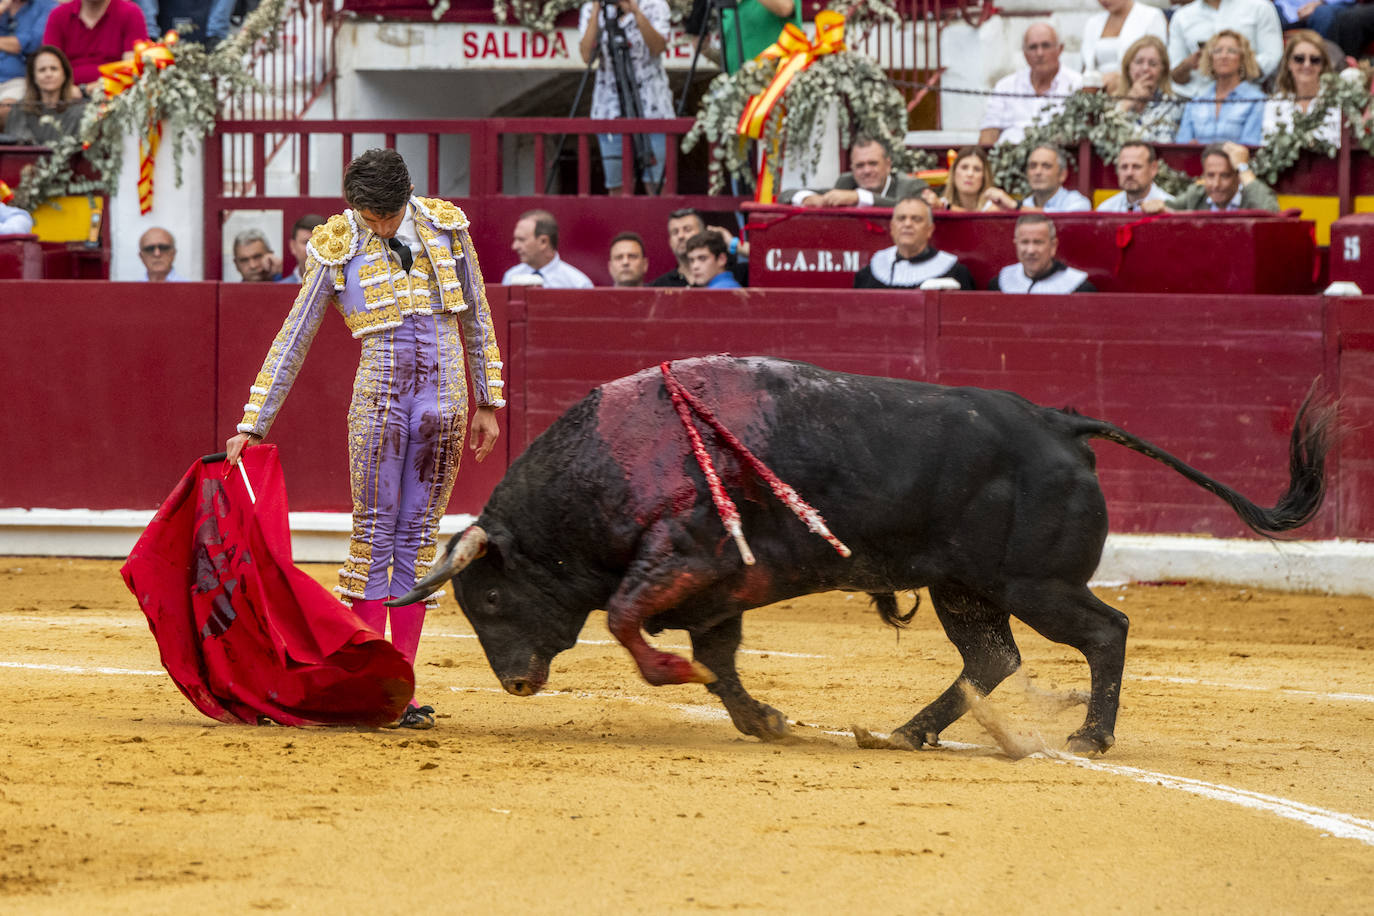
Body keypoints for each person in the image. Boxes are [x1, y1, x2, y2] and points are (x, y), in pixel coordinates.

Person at [224, 149, 505, 731]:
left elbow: (476, 315)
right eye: (368, 217)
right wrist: (254, 420)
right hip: (379, 398)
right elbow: (294, 335)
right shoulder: (336, 242)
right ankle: (371, 686)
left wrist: (488, 402)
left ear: (407, 198)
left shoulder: (449, 231)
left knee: (417, 535)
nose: (377, 227)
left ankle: (400, 688)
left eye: (386, 217)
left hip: (445, 402)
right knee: (375, 530)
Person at [578, 0, 674, 194]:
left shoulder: (655, 5)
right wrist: (597, 11)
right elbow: (587, 56)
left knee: (658, 186)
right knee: (617, 187)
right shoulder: (591, 9)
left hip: (653, 108)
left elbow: (657, 47)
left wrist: (635, 12)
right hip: (609, 108)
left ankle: (659, 224)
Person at [979, 23, 1083, 146]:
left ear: (1060, 49)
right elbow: (988, 134)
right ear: (1024, 53)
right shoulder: (1006, 86)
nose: (1039, 53)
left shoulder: (1078, 84)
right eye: (1033, 47)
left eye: (1046, 46)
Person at [853, 195, 974, 290]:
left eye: (916, 219)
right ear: (892, 227)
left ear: (929, 230)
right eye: (901, 218)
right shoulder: (871, 272)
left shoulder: (955, 272)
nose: (907, 224)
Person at [1167, 0, 1281, 98]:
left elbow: (1272, 57)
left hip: (1248, 99)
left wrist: (1232, 71)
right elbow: (1174, 74)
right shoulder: (1181, 17)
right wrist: (1189, 64)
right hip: (1197, 102)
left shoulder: (1260, 7)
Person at [782, 136, 929, 208]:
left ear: (888, 165)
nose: (866, 171)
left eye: (873, 163)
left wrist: (859, 197)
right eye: (860, 166)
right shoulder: (847, 182)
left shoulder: (910, 186)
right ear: (852, 169)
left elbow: (902, 208)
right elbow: (785, 195)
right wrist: (807, 199)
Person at [1175, 30, 1266, 145]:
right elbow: (1182, 145)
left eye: (1231, 51)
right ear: (1211, 58)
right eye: (1218, 51)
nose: (1224, 56)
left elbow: (1250, 145)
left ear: (1243, 58)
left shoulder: (1256, 101)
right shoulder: (1196, 103)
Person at [41, 0, 146, 90]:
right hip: (67, 96)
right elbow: (48, 63)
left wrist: (90, 89)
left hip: (115, 96)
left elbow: (132, 68)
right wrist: (68, 91)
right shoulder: (58, 15)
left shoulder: (131, 13)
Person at [1263, 30, 1342, 147]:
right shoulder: (1274, 104)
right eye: (1299, 59)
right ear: (1289, 63)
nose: (1307, 65)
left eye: (1314, 59)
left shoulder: (1338, 103)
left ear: (1323, 65)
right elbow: (1267, 145)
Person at [990, 214, 1097, 293]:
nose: (1030, 250)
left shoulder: (1080, 289)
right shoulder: (998, 285)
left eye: (1038, 242)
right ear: (1016, 244)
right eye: (1024, 242)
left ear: (1053, 246)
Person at [1079, 0, 1167, 95]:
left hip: (1137, 93)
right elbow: (1085, 66)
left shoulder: (1151, 16)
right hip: (1096, 94)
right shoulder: (1093, 22)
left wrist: (1121, 79)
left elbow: (1158, 62)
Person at [3, 44, 83, 144]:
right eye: (42, 70)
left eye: (54, 69)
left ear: (64, 75)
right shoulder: (19, 110)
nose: (48, 74)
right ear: (34, 77)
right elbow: (21, 150)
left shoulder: (78, 112)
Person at [1167, 141, 1280, 211]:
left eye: (1225, 176)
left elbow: (1271, 211)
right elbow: (1165, 210)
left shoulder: (1251, 199)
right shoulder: (1196, 196)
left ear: (1238, 177)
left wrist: (1243, 168)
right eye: (1210, 176)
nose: (1216, 184)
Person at [648, 207, 747, 287]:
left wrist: (734, 244)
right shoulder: (660, 286)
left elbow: (762, 259)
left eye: (687, 229)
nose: (681, 236)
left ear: (703, 233)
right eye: (675, 232)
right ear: (669, 241)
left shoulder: (734, 273)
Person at [1113, 35, 1184, 143]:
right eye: (1139, 62)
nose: (1145, 68)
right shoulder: (1112, 102)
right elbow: (1106, 138)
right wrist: (1127, 102)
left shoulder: (1175, 104)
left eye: (1153, 64)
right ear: (1128, 67)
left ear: (1162, 70)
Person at [501, 209, 593, 288]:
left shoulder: (578, 284)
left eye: (521, 240)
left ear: (543, 242)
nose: (514, 246)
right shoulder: (511, 277)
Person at [0, 0, 57, 111]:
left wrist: (17, 44)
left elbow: (32, 44)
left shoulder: (47, 6)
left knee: (6, 110)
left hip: (18, 80)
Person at [1097, 140, 1175, 212]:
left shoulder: (1172, 210)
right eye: (1124, 167)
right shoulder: (1105, 209)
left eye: (1136, 166)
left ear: (1153, 168)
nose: (1129, 173)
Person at [933, 146, 1016, 212]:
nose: (970, 174)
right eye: (964, 167)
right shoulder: (937, 205)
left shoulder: (994, 208)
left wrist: (947, 207)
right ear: (954, 173)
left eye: (977, 169)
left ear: (984, 176)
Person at [1019, 144, 1092, 212]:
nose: (1038, 172)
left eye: (1046, 166)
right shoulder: (1026, 204)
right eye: (1033, 166)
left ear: (1062, 175)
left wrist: (1017, 207)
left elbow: (1063, 216)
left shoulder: (1078, 203)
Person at [278, 213, 324, 284]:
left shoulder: (343, 289)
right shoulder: (280, 288)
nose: (312, 249)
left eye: (319, 242)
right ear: (293, 246)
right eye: (306, 242)